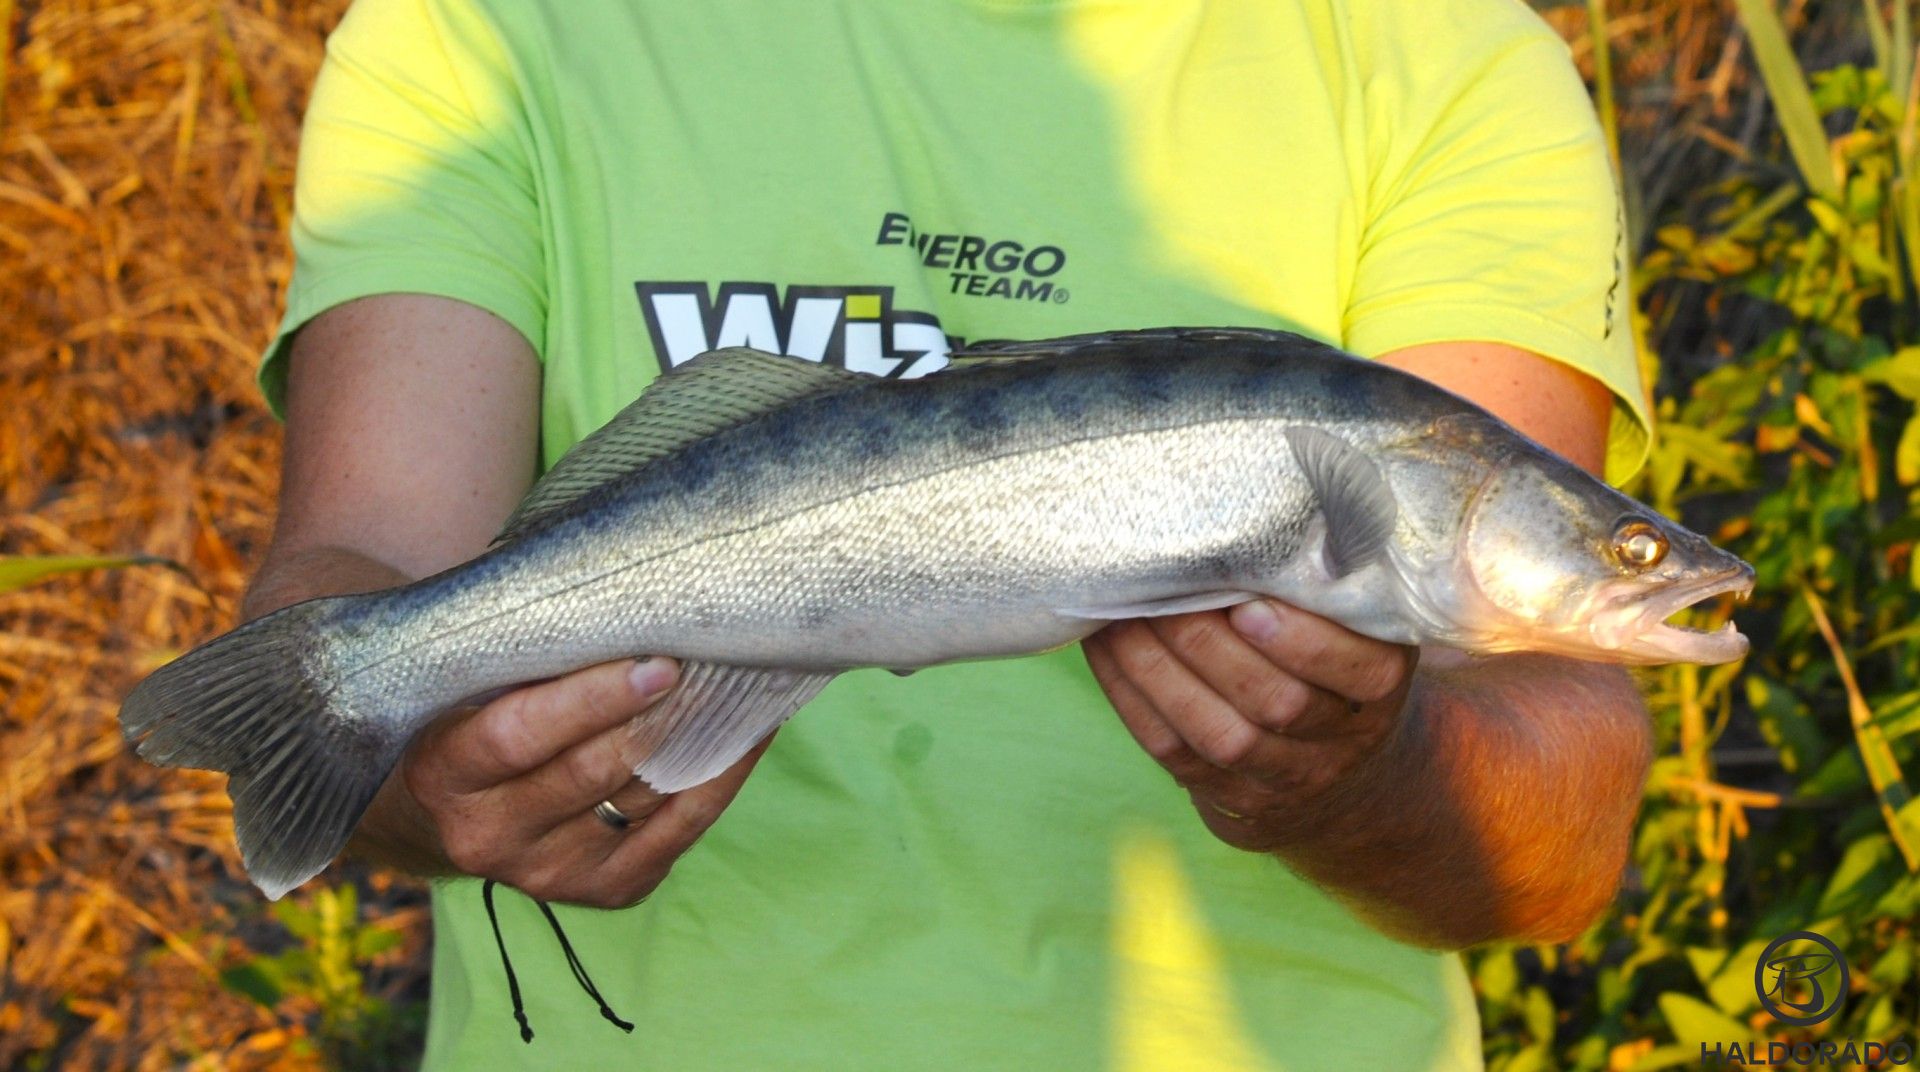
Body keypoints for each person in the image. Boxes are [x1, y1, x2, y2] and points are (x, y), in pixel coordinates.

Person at [242, 0, 1656, 1067]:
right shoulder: (480, 30)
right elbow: (363, 566)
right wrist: (413, 769)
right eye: (1628, 549)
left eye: (1628, 553)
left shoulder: (1445, 54)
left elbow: (1568, 828)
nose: (1638, 566)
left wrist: (1364, 775)